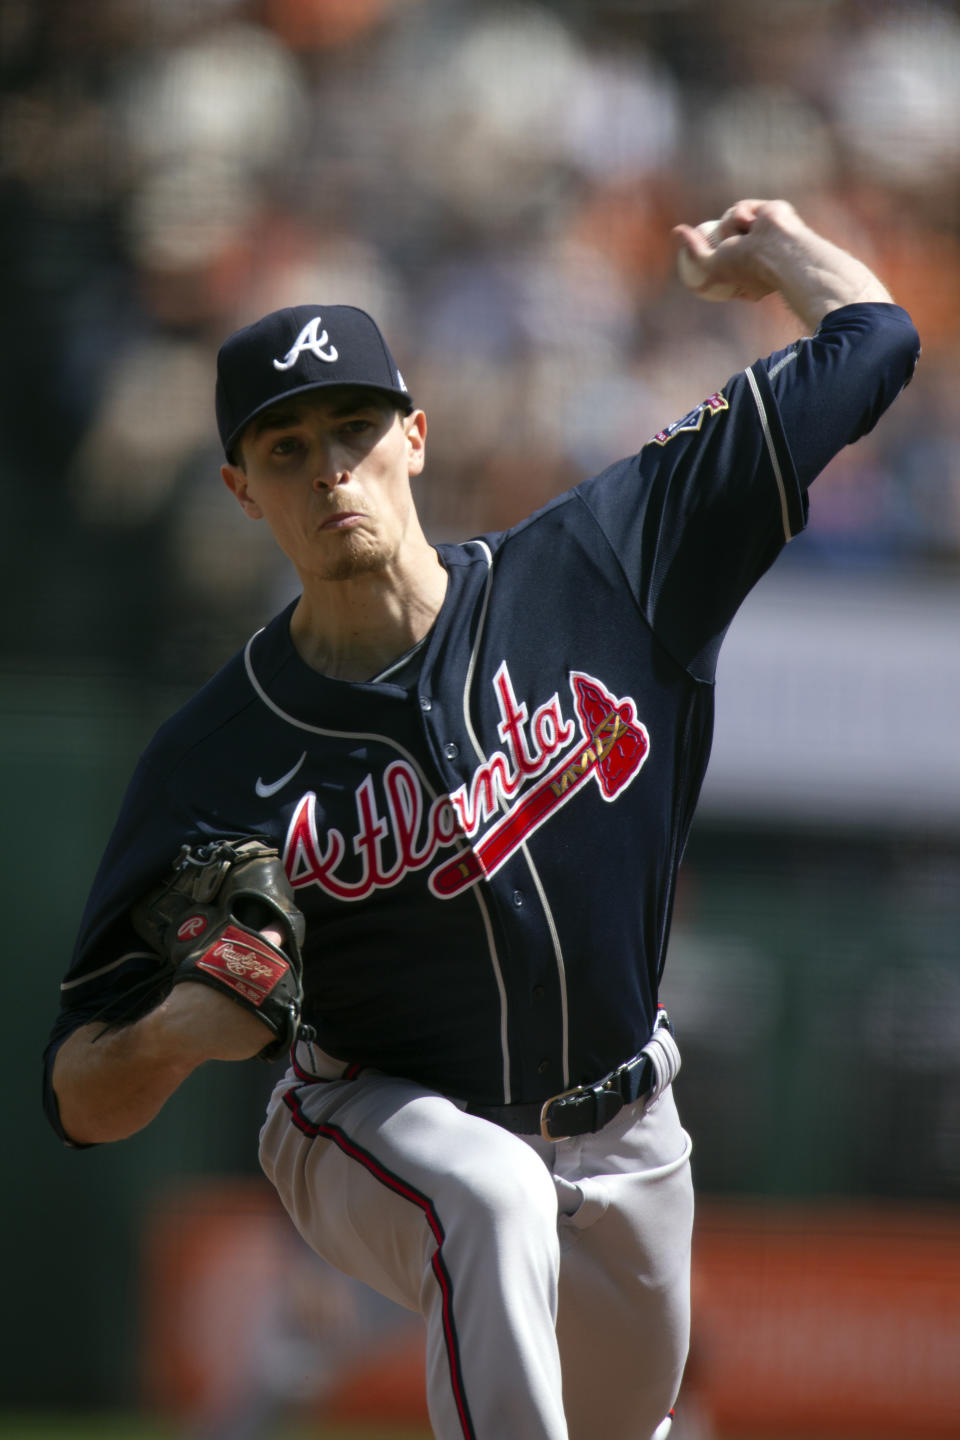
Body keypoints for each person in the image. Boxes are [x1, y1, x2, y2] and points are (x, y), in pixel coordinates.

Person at [44, 199, 919, 1440]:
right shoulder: (212, 753)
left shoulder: (605, 565)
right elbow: (78, 1093)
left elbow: (874, 343)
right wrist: (181, 1029)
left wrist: (777, 244)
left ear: (415, 432)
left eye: (352, 426)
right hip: (365, 1119)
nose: (330, 467)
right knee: (493, 1196)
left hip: (628, 1128)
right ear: (243, 489)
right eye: (287, 448)